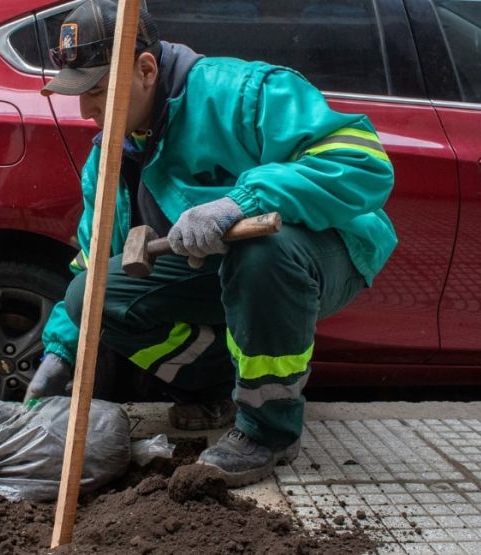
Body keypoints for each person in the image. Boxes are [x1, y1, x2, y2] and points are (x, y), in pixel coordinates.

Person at [24, 0, 396, 486]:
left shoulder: (238, 92)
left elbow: (363, 163)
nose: (87, 110)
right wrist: (58, 354)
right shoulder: (110, 158)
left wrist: (240, 202)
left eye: (97, 91)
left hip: (325, 250)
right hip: (223, 273)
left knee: (264, 252)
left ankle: (268, 430)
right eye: (77, 94)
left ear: (146, 68)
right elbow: (91, 266)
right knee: (90, 297)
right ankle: (216, 386)